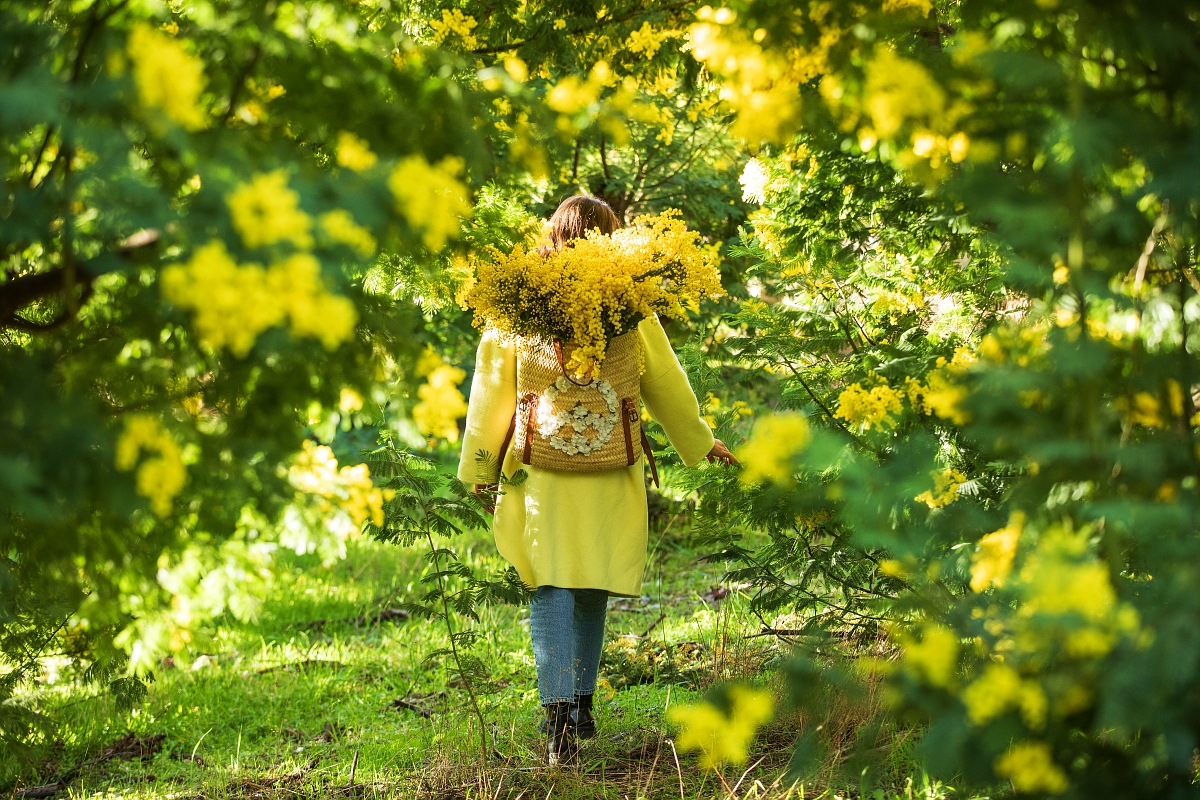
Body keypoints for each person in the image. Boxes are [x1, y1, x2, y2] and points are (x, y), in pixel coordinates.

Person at [456, 195, 738, 765]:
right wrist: (700, 440)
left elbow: (490, 394)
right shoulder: (632, 305)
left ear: (553, 235)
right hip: (610, 469)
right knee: (590, 581)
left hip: (540, 476)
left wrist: (482, 468)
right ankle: (579, 702)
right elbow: (665, 380)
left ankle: (559, 715)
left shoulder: (516, 305)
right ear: (610, 237)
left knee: (550, 584)